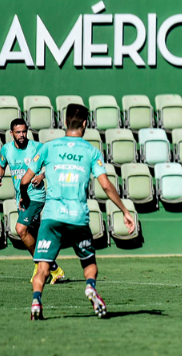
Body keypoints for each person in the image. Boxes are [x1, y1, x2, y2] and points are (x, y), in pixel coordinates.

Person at [20, 104, 135, 320]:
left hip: (51, 217)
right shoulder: (91, 151)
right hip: (77, 217)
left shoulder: (48, 147)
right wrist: (124, 211)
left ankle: (36, 299)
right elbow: (107, 186)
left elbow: (25, 180)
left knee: (42, 267)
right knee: (89, 263)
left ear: (64, 123)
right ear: (85, 124)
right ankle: (90, 287)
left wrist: (24, 195)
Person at [0, 118, 65, 284]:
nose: (22, 135)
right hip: (22, 198)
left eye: (24, 131)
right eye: (18, 132)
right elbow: (1, 166)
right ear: (11, 133)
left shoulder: (37, 148)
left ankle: (48, 266)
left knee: (20, 229)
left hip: (36, 196)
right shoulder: (6, 150)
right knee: (32, 235)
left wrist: (41, 175)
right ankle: (46, 267)